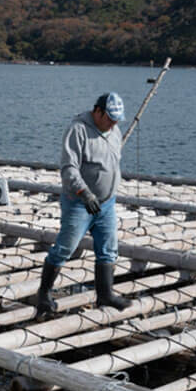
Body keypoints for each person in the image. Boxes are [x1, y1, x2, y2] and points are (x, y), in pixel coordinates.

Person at [34, 92, 131, 315]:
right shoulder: (77, 130)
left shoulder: (114, 130)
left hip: (106, 204)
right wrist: (85, 194)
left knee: (108, 250)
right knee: (65, 248)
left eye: (116, 120)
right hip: (80, 202)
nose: (113, 123)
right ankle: (44, 295)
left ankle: (105, 295)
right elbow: (69, 169)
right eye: (109, 118)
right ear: (97, 111)